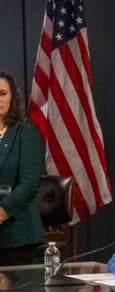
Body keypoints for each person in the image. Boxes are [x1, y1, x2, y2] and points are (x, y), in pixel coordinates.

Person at [0, 69, 45, 265]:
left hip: (18, 236)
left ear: (13, 97)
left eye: (2, 94)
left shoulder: (26, 132)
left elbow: (29, 184)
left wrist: (2, 211)